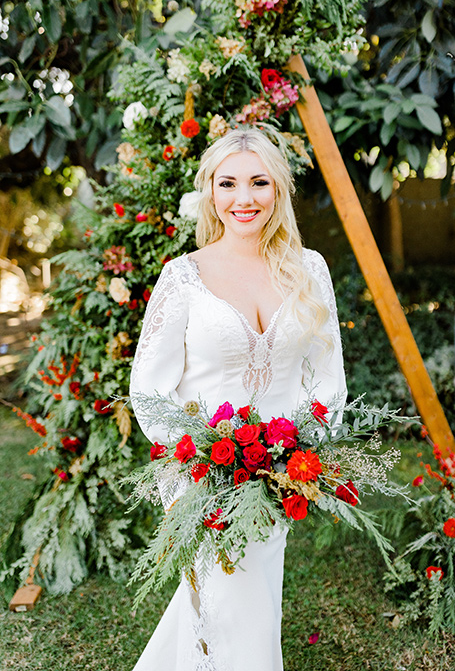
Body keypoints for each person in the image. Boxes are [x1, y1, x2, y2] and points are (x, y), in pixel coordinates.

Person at [129, 127, 347, 671]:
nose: (243, 199)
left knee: (245, 598)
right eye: (228, 183)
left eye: (258, 183)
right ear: (210, 190)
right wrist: (190, 459)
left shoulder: (309, 270)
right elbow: (148, 387)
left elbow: (327, 378)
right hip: (198, 469)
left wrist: (302, 458)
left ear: (279, 189)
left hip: (280, 472)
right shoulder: (183, 277)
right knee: (223, 597)